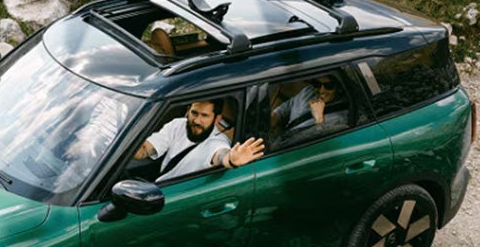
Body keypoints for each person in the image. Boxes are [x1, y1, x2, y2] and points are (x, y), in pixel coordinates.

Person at [133, 99, 264, 182]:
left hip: (182, 195)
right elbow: (145, 149)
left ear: (217, 119)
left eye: (204, 116)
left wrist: (231, 159)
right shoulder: (177, 125)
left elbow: (220, 155)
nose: (196, 121)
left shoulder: (217, 141)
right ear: (188, 111)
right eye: (194, 113)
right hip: (161, 185)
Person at [269, 76, 348, 134]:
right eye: (317, 84)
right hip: (283, 138)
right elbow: (282, 110)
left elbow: (327, 143)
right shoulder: (308, 92)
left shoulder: (342, 115)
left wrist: (319, 118)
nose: (322, 90)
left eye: (329, 86)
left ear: (338, 87)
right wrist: (270, 122)